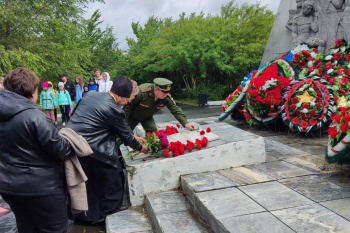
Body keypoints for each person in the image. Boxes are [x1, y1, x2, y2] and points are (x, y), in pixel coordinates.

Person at [0, 67, 74, 232]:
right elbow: (61, 150)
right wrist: (71, 142)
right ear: (32, 91)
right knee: (53, 228)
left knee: (27, 227)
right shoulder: (34, 117)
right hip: (42, 188)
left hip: (8, 186)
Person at [67, 77, 148, 224]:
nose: (130, 101)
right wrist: (143, 149)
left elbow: (98, 120)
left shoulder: (92, 95)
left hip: (74, 142)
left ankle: (84, 217)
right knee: (114, 176)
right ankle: (107, 212)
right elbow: (126, 137)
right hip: (92, 148)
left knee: (88, 184)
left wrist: (133, 136)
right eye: (131, 97)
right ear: (123, 94)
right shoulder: (113, 108)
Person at [125, 77, 196, 132]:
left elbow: (175, 109)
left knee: (153, 132)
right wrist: (123, 122)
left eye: (167, 92)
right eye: (164, 92)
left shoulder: (166, 97)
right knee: (123, 135)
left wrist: (185, 123)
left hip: (147, 117)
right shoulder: (142, 92)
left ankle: (149, 148)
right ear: (156, 89)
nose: (166, 94)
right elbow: (127, 106)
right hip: (132, 116)